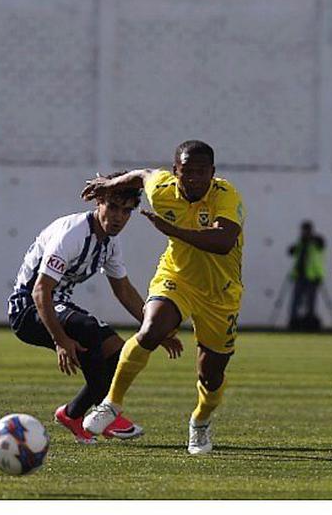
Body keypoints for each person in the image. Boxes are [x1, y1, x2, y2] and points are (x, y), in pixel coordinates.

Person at [79, 140, 244, 455]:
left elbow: (223, 241)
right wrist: (110, 184)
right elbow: (143, 174)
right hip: (177, 277)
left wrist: (172, 230)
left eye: (202, 171)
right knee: (152, 328)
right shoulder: (162, 189)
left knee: (211, 375)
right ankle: (111, 403)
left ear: (213, 172)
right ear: (175, 171)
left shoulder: (226, 196)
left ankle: (200, 420)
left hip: (220, 293)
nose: (194, 178)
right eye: (187, 171)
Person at [6, 172, 183, 444]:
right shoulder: (73, 234)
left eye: (126, 211)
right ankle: (106, 414)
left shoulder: (110, 242)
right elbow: (40, 291)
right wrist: (60, 340)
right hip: (28, 309)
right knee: (88, 330)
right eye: (113, 207)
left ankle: (73, 414)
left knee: (118, 351)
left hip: (57, 303)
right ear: (98, 202)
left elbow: (123, 290)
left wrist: (155, 329)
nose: (118, 217)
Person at [287, 220, 326, 330]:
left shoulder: (316, 241)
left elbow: (321, 245)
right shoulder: (301, 243)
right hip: (299, 276)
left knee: (310, 302)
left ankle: (309, 323)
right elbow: (291, 251)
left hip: (313, 277)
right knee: (296, 301)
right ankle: (294, 322)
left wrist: (310, 239)